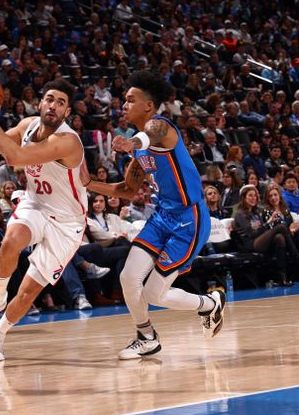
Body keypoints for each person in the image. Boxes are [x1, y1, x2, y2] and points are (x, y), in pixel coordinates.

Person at [85, 70, 224, 360]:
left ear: (148, 105)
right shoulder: (139, 153)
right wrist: (84, 183)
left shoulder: (163, 127)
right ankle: (146, 336)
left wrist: (131, 143)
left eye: (130, 99)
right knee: (128, 276)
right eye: (124, 100)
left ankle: (209, 304)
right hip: (162, 217)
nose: (123, 104)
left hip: (189, 220)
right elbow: (125, 189)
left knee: (154, 294)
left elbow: (150, 135)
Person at [0, 79, 90, 362]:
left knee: (28, 292)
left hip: (67, 223)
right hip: (36, 203)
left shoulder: (67, 141)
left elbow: (16, 156)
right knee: (11, 240)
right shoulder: (29, 125)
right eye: (50, 99)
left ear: (67, 112)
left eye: (61, 103)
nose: (53, 106)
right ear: (40, 102)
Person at [232, 185, 299, 286]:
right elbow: (251, 235)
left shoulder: (256, 213)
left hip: (259, 241)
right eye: (250, 195)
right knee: (280, 227)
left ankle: (282, 277)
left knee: (279, 238)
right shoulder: (240, 214)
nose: (253, 198)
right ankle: (298, 260)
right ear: (244, 198)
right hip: (249, 244)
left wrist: (266, 226)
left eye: (254, 195)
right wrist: (268, 223)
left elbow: (262, 231)